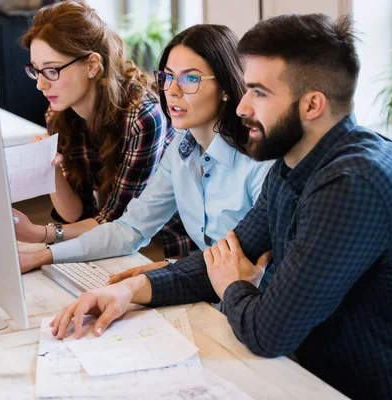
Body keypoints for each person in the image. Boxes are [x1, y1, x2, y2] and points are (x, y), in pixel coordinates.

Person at [49, 14, 392, 400]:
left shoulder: (352, 183)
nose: (241, 107)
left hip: (346, 387)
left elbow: (269, 331)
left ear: (312, 105)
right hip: (297, 374)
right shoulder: (295, 163)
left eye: (259, 92)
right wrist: (130, 291)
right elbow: (227, 254)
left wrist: (233, 284)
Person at [18, 24, 273, 274]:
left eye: (190, 79)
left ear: (226, 88)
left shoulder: (260, 162)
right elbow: (130, 229)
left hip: (250, 300)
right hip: (211, 285)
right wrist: (43, 256)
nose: (172, 91)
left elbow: (248, 264)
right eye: (167, 77)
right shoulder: (181, 151)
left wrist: (152, 278)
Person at [14, 0, 195, 263]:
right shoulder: (59, 114)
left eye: (52, 70)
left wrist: (39, 235)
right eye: (37, 71)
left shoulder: (142, 117)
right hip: (108, 240)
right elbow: (75, 215)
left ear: (92, 65)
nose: (41, 84)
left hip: (164, 247)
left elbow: (117, 223)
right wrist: (50, 169)